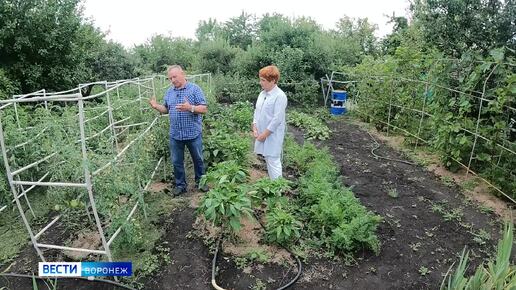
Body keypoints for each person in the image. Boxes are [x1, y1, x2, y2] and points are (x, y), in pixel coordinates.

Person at [149, 65, 209, 195]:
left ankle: (201, 182)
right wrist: (156, 106)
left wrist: (190, 108)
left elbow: (204, 109)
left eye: (174, 77)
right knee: (176, 162)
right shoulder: (170, 92)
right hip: (175, 134)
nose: (172, 80)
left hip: (193, 133)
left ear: (183, 74)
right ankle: (180, 185)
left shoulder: (194, 89)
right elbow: (166, 109)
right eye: (170, 78)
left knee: (198, 159)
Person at [252, 65, 288, 180]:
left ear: (273, 81)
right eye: (260, 79)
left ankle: (278, 190)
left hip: (272, 135)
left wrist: (265, 134)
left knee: (273, 160)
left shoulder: (280, 96)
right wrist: (255, 127)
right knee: (268, 158)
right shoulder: (262, 94)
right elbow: (257, 111)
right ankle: (273, 187)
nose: (260, 83)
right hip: (261, 133)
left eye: (263, 80)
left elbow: (277, 119)